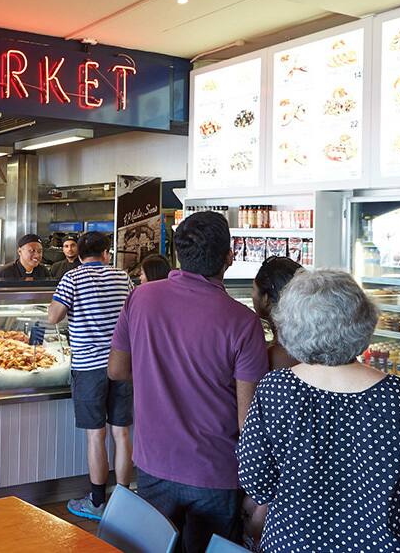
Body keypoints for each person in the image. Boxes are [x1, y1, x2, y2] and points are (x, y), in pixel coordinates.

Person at [238, 269, 400, 552]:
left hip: (292, 543)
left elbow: (257, 482)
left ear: (290, 325)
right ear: (365, 321)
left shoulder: (276, 389)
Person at [108, 211, 268, 551]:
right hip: (215, 471)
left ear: (178, 253)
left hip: (154, 461)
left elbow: (117, 369)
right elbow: (248, 420)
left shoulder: (141, 297)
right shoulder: (244, 322)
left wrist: (155, 373)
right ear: (229, 256)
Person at [49, 232, 133, 520]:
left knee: (96, 435)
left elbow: (53, 317)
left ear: (80, 254)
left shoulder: (72, 278)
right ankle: (123, 503)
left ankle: (97, 502)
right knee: (122, 433)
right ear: (106, 253)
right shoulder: (123, 277)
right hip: (122, 364)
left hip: (88, 367)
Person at [241, 256, 303, 547]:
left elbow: (252, 427)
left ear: (266, 299)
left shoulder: (271, 357)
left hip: (274, 477)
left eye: (254, 291)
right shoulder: (317, 349)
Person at [252, 256, 302, 371]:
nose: (252, 295)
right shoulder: (313, 345)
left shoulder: (272, 357)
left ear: (266, 299)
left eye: (253, 288)